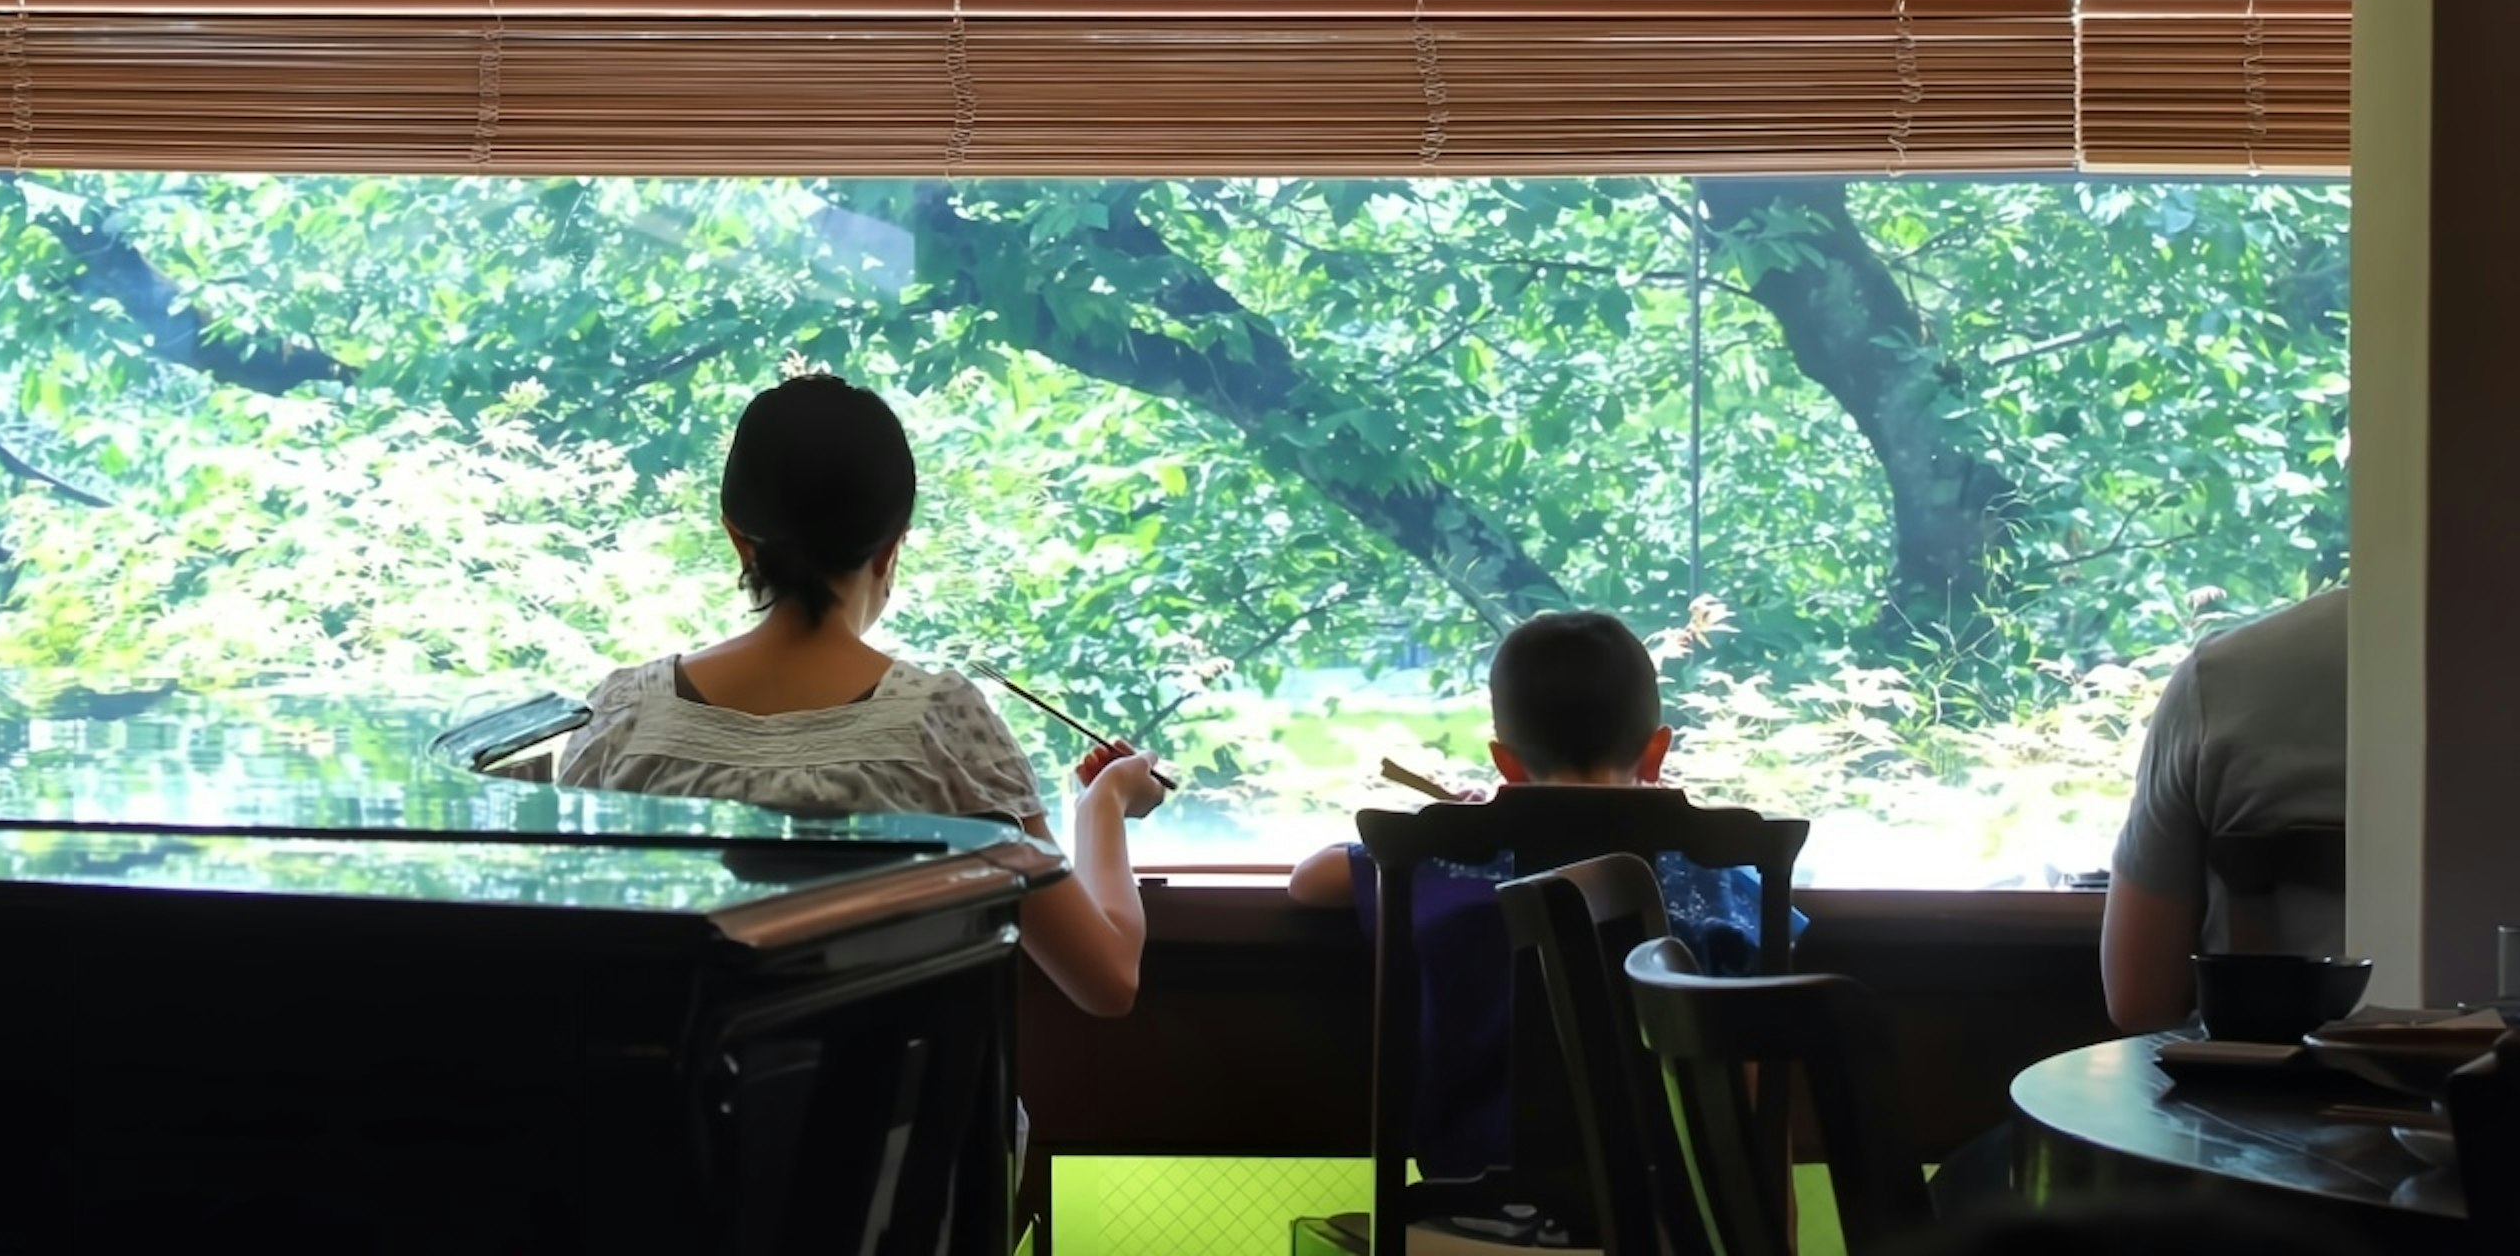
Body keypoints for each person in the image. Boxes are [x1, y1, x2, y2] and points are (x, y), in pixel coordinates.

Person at [555, 372, 1162, 1017]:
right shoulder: (942, 729)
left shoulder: (620, 720)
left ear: (738, 538)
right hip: (893, 1122)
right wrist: (1105, 804)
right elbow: (1107, 980)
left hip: (657, 1118)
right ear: (891, 548)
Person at [1284, 610, 1787, 1189]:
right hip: (1674, 1217)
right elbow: (1756, 1100)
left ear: (1505, 763)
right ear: (1656, 753)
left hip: (1471, 1210)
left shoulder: (1449, 861)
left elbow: (1309, 880)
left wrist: (1464, 821)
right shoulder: (1713, 874)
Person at [2100, 585, 2349, 1031]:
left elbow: (2139, 998)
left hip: (2256, 1091)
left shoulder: (2221, 676)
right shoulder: (2515, 658)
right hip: (2506, 1086)